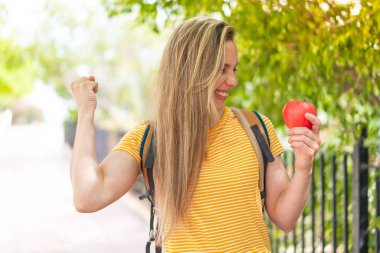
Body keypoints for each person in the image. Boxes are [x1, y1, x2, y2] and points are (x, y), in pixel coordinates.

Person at [70, 16, 321, 252]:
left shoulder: (255, 127)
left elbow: (285, 218)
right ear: (190, 72)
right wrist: (85, 113)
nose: (232, 81)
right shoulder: (150, 138)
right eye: (222, 69)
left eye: (234, 69)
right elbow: (88, 196)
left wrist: (303, 167)